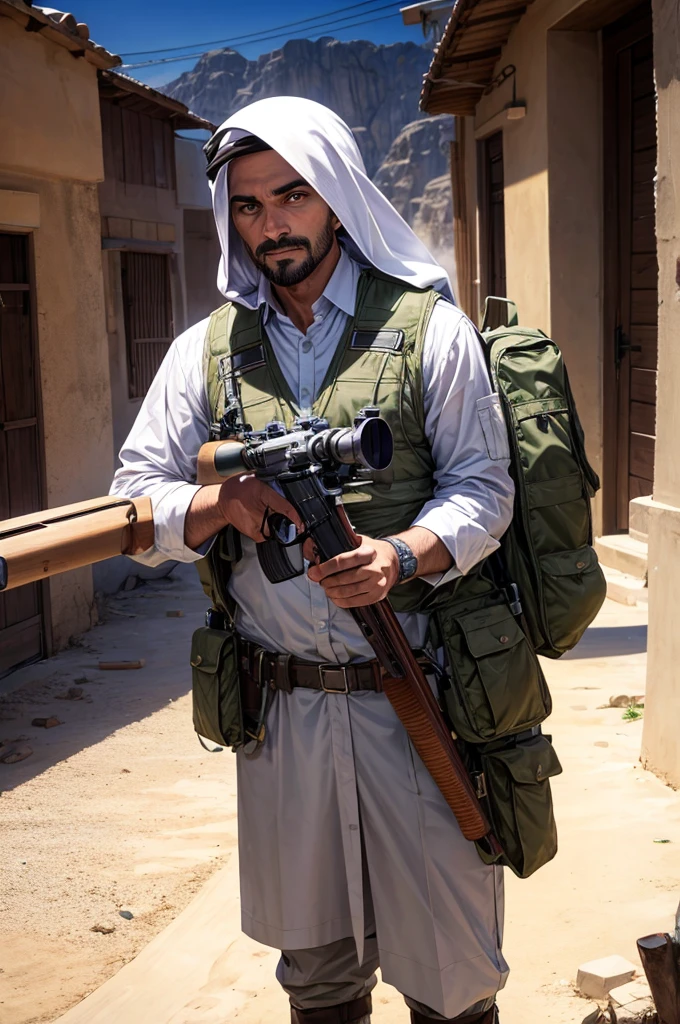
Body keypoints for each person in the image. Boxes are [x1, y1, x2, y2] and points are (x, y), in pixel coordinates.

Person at [111, 96, 514, 1024]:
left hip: (419, 694)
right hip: (281, 712)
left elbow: (484, 488)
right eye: (248, 205)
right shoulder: (204, 353)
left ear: (334, 199)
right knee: (321, 982)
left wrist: (402, 556)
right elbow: (136, 496)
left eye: (291, 197)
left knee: (451, 979)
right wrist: (223, 503)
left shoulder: (427, 330)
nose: (271, 223)